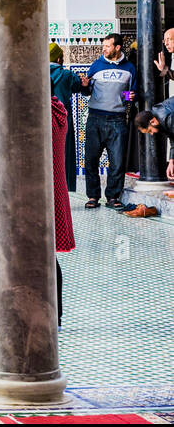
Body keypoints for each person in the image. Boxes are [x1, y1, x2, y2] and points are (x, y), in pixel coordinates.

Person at [82, 32, 137, 209]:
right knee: (90, 160)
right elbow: (87, 90)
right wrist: (84, 86)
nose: (103, 49)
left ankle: (113, 197)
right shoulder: (96, 65)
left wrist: (129, 96)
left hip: (117, 120)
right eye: (103, 46)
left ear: (117, 47)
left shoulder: (129, 68)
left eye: (107, 46)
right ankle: (93, 196)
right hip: (95, 118)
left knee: (118, 162)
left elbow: (132, 94)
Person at [49, 42, 89, 192]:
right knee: (64, 153)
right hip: (62, 117)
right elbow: (81, 87)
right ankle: (64, 188)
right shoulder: (66, 74)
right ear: (60, 59)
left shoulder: (36, 73)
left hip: (42, 118)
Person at [51, 95, 76, 327]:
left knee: (44, 257)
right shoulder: (58, 111)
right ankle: (55, 314)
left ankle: (51, 314)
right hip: (55, 191)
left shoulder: (41, 115)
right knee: (49, 256)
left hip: (41, 195)